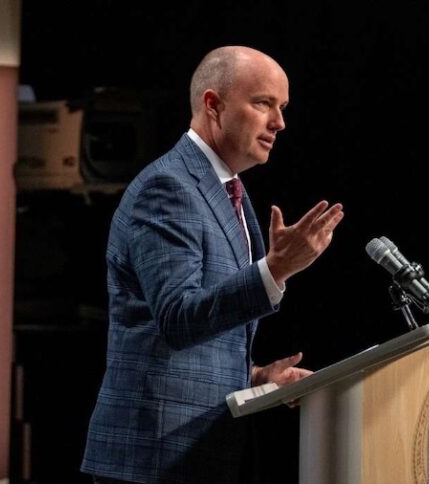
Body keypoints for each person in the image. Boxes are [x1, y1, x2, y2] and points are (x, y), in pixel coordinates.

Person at [80, 46, 345, 483]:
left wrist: (257, 376)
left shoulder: (227, 190)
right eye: (263, 104)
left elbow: (195, 341)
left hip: (200, 452)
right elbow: (178, 319)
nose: (279, 123)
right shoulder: (169, 187)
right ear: (213, 105)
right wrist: (274, 270)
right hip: (153, 457)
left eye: (282, 108)